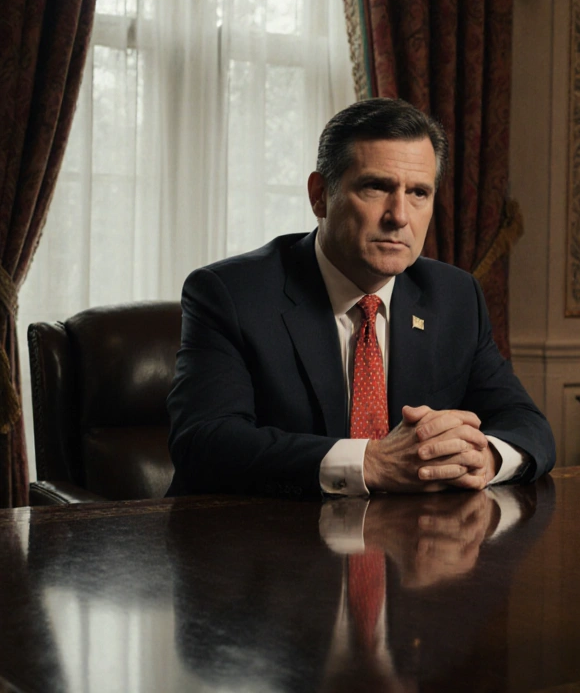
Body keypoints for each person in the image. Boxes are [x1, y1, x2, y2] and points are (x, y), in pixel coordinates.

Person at [167, 98, 554, 498]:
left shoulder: (454, 296)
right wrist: (369, 461)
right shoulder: (230, 293)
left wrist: (485, 456)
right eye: (376, 187)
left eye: (419, 192)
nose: (400, 216)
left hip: (410, 546)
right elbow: (205, 442)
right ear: (320, 195)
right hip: (255, 542)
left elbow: (527, 423)